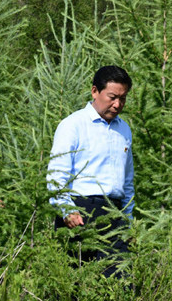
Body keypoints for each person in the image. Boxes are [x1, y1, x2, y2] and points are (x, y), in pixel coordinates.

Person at [47, 65, 134, 278]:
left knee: (118, 282)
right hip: (80, 212)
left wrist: (128, 220)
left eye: (122, 98)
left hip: (115, 213)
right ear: (95, 91)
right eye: (112, 97)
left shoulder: (124, 129)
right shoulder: (73, 125)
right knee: (74, 282)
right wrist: (67, 210)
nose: (117, 104)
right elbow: (56, 175)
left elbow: (127, 181)